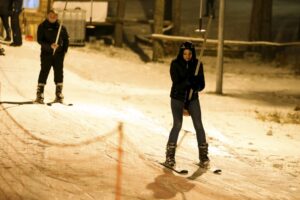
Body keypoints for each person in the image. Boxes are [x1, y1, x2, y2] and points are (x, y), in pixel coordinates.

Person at [164, 41, 209, 168]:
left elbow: (202, 84)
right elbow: (177, 83)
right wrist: (189, 81)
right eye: (185, 54)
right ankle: (170, 156)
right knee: (177, 124)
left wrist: (197, 85)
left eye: (190, 54)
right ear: (181, 53)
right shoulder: (175, 64)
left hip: (192, 99)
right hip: (177, 98)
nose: (188, 56)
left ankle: (203, 156)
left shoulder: (198, 64)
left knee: (198, 125)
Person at [35, 9, 69, 104]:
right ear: (47, 15)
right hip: (46, 53)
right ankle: (40, 93)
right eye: (51, 15)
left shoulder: (61, 27)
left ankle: (59, 93)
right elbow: (39, 40)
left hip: (59, 54)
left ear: (57, 16)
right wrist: (49, 46)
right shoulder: (42, 26)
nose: (53, 17)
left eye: (55, 15)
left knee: (59, 72)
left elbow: (66, 40)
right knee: (44, 71)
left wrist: (63, 50)